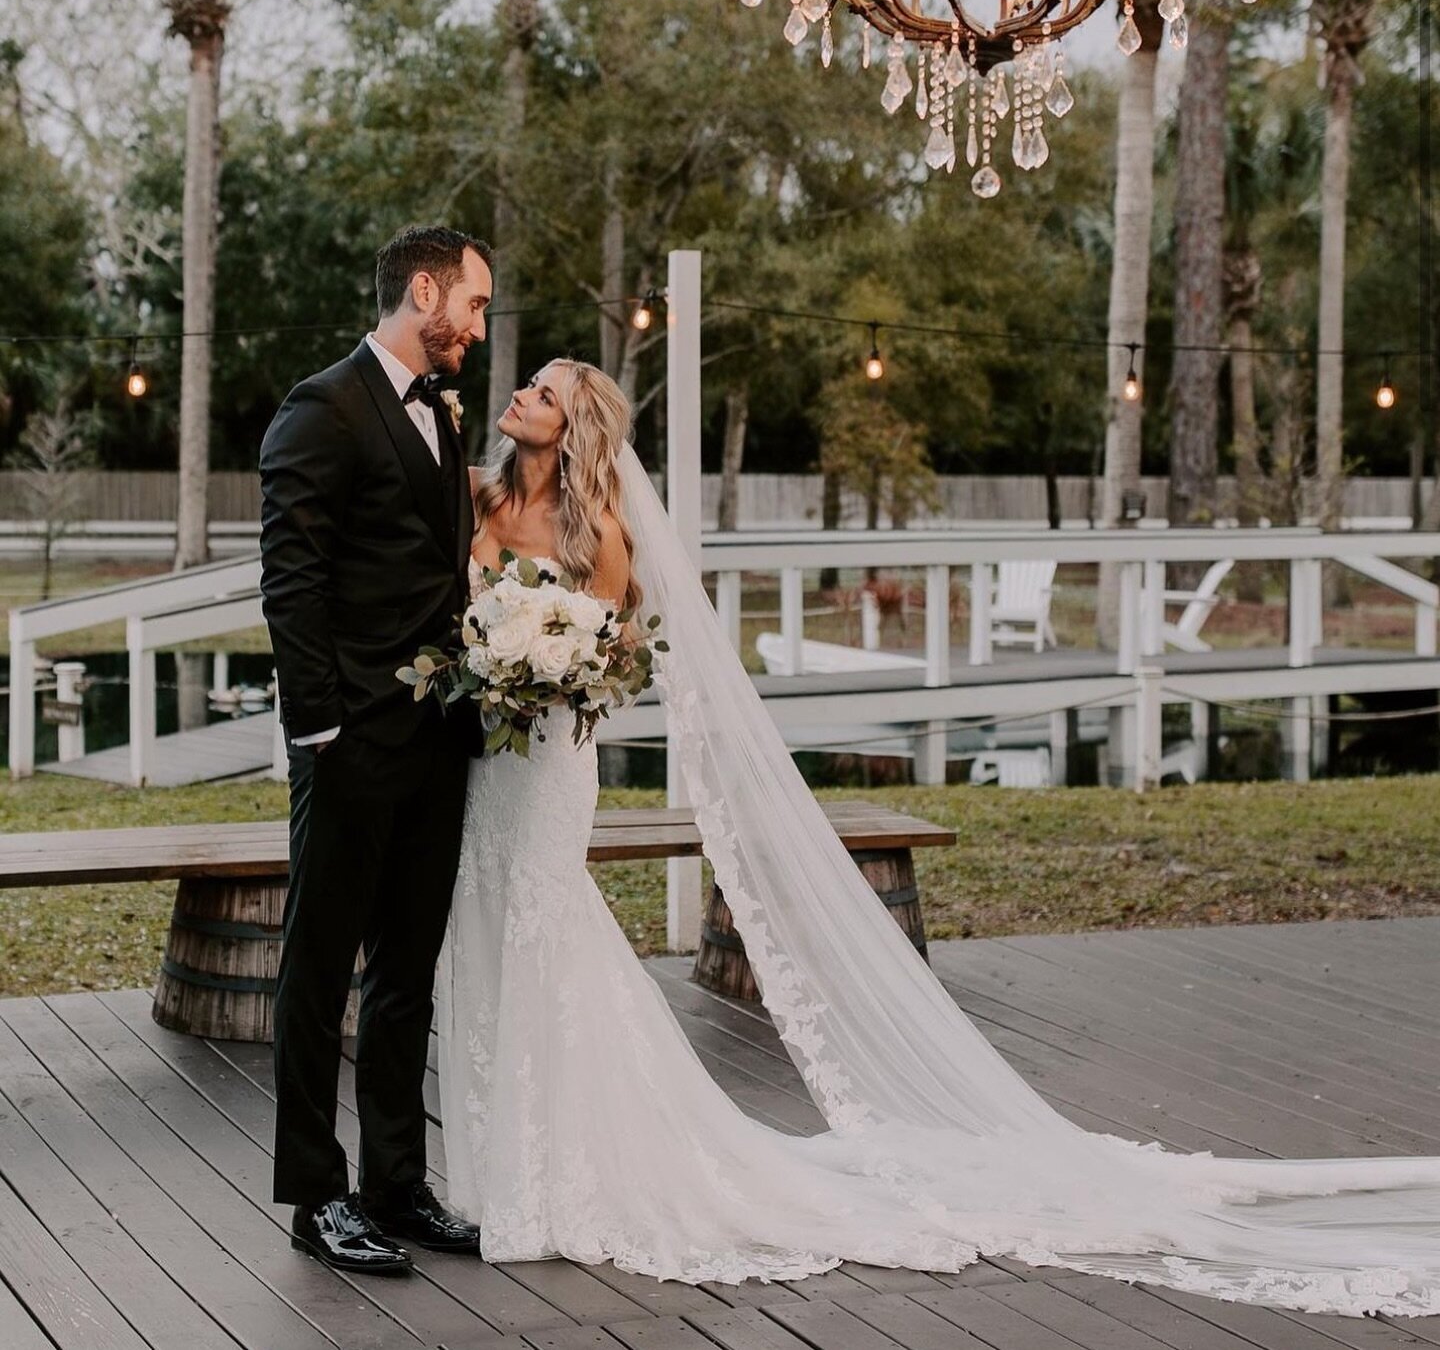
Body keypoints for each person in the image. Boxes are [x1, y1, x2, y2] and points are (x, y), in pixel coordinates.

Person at [437, 357, 1440, 1311]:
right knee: (484, 940)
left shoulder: (601, 532)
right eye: (528, 387)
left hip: (552, 763)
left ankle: (558, 1171)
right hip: (482, 760)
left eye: (543, 391)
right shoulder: (479, 498)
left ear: (576, 427)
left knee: (547, 939)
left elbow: (607, 663)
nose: (520, 396)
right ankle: (497, 1163)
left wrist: (547, 667)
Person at [260, 224, 493, 1275]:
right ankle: (317, 1192)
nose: (478, 331)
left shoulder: (443, 410)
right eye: (475, 307)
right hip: (349, 739)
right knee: (320, 970)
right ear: (424, 289)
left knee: (408, 970)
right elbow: (293, 579)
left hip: (440, 740)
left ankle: (396, 1181)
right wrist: (320, 726)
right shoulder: (322, 406)